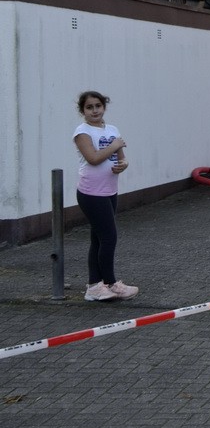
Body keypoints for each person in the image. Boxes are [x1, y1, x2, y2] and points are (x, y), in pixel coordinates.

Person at [73, 91, 139, 302]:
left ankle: (94, 287)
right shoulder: (82, 132)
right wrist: (114, 145)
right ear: (82, 110)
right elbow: (93, 158)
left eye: (98, 106)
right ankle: (110, 283)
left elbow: (122, 158)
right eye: (89, 107)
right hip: (91, 193)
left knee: (98, 239)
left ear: (104, 107)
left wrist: (123, 164)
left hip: (109, 191)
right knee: (109, 237)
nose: (94, 111)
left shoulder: (112, 130)